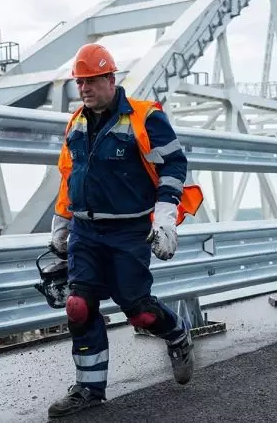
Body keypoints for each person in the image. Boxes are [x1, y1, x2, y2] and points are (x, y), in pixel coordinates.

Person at [46, 43, 202, 418]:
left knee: (139, 312)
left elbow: (173, 167)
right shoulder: (76, 122)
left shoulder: (144, 118)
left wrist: (165, 218)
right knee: (79, 306)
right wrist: (62, 221)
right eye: (79, 82)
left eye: (91, 81)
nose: (84, 89)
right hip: (86, 230)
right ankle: (88, 389)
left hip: (129, 231)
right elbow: (70, 175)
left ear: (110, 79)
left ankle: (177, 334)